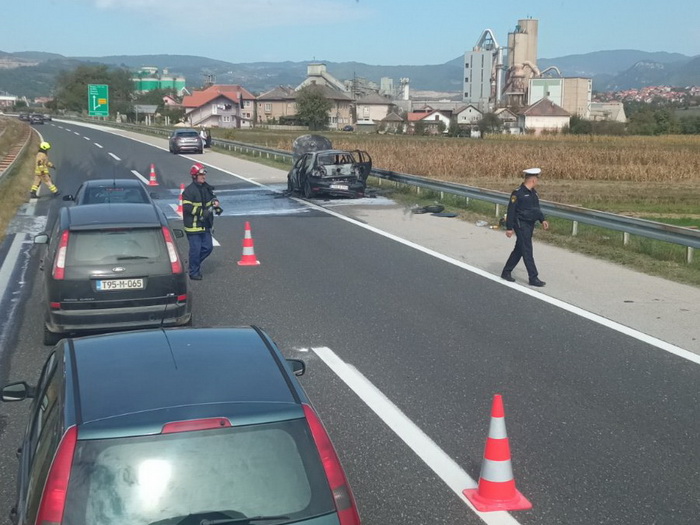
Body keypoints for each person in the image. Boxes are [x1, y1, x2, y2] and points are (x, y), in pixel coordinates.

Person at [501, 167, 549, 287]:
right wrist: (509, 228)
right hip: (520, 224)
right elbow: (511, 211)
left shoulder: (533, 193)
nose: (537, 182)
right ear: (532, 180)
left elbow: (536, 209)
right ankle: (533, 277)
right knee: (527, 249)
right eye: (536, 179)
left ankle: (506, 272)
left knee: (519, 249)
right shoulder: (518, 193)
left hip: (530, 224)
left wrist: (542, 219)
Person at [182, 163, 222, 280]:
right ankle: (193, 272)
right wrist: (201, 212)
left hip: (205, 225)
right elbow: (187, 207)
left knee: (208, 248)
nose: (204, 177)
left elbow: (212, 198)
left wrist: (215, 203)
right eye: (201, 175)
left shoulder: (207, 188)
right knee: (196, 250)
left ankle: (193, 265)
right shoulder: (189, 191)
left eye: (204, 174)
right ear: (194, 176)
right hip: (193, 227)